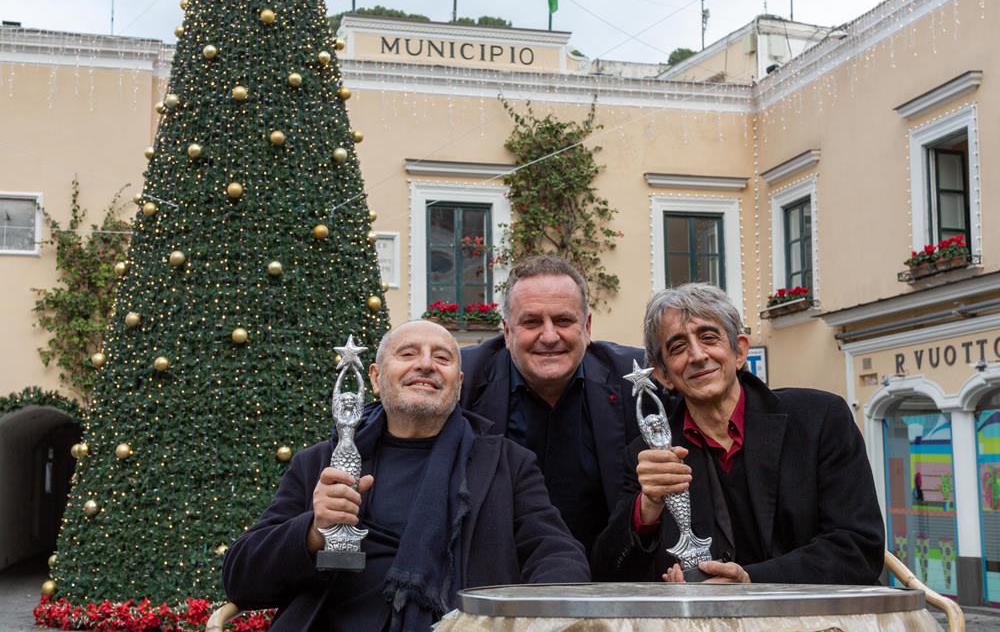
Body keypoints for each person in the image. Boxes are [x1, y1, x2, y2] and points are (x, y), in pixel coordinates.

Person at [222, 320, 589, 632]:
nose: (426, 365)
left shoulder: (507, 463)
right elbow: (240, 578)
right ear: (376, 378)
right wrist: (313, 532)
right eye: (408, 353)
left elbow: (557, 555)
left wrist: (535, 621)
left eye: (442, 358)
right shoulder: (321, 463)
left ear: (458, 383)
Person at [591, 283, 885, 585]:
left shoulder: (820, 419)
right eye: (677, 347)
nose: (697, 355)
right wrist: (647, 507)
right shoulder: (648, 456)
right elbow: (611, 574)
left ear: (740, 350)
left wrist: (752, 581)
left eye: (709, 337)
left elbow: (859, 548)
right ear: (664, 374)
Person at [460, 255, 661, 555]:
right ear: (507, 332)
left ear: (587, 326)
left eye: (563, 320)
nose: (550, 336)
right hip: (499, 573)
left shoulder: (636, 378)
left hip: (606, 571)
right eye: (531, 322)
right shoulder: (461, 380)